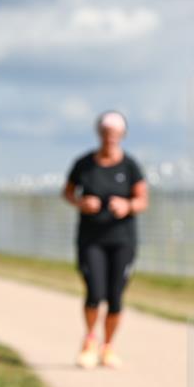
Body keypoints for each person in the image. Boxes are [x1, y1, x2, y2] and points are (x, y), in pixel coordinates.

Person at [63, 111, 148, 369]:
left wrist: (128, 205)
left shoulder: (130, 166)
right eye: (106, 132)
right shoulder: (84, 164)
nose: (110, 137)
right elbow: (67, 192)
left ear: (122, 135)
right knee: (94, 291)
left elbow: (143, 200)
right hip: (91, 238)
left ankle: (108, 346)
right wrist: (81, 202)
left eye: (115, 133)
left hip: (122, 238)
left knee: (115, 296)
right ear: (99, 133)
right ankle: (89, 340)